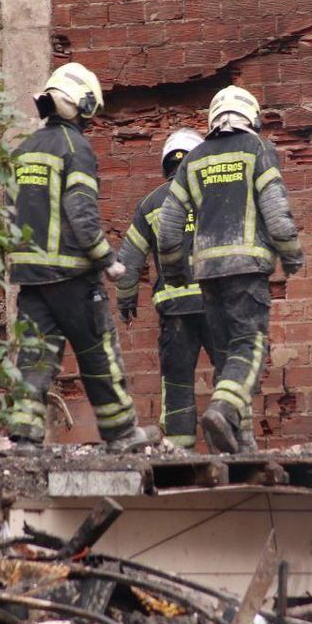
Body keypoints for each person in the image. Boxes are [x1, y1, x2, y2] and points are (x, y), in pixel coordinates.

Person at [5, 62, 160, 452]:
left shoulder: (22, 151)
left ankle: (24, 439)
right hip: (73, 278)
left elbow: (8, 210)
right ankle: (122, 434)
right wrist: (107, 260)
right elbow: (81, 211)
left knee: (35, 359)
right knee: (98, 355)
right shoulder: (77, 148)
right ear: (83, 105)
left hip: (32, 278)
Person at [156, 86, 304, 453]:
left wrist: (174, 272)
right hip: (246, 269)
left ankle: (241, 444)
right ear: (250, 117)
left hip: (206, 274)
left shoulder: (194, 159)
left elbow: (169, 228)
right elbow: (277, 215)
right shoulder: (257, 150)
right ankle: (222, 410)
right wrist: (293, 256)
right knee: (250, 347)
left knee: (228, 357)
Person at [116, 128, 216, 451]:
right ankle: (236, 447)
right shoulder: (214, 194)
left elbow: (129, 257)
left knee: (176, 384)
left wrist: (126, 298)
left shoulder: (152, 203)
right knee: (230, 375)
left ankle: (179, 451)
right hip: (217, 305)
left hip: (175, 312)